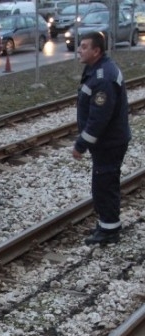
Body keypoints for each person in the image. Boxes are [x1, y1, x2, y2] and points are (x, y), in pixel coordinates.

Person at [72, 31, 131, 245]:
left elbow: (98, 119)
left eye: (85, 46)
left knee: (104, 184)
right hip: (108, 142)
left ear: (97, 51)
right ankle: (107, 224)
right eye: (81, 46)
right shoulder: (97, 69)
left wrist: (81, 145)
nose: (80, 49)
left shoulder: (102, 78)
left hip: (109, 143)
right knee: (104, 182)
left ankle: (109, 230)